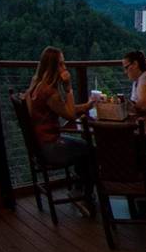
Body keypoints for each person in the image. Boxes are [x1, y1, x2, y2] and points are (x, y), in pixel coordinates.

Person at [24, 47, 98, 195]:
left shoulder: (36, 85)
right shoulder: (50, 92)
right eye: (61, 64)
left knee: (83, 146)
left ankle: (80, 186)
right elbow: (70, 115)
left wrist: (86, 106)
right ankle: (86, 194)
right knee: (91, 150)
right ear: (52, 66)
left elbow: (61, 109)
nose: (65, 68)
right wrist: (68, 87)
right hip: (49, 147)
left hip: (39, 145)